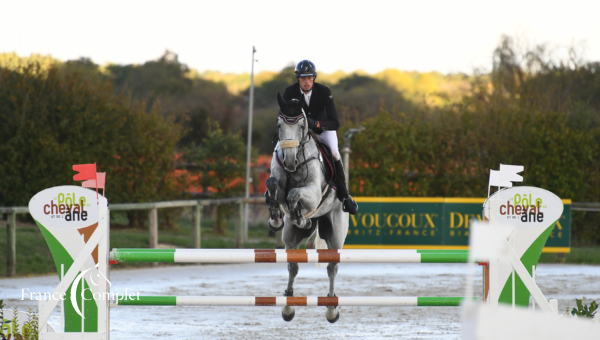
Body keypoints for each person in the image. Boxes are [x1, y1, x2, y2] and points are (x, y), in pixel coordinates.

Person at [275, 60, 358, 215]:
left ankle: (345, 196)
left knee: (334, 152)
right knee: (284, 149)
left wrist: (317, 124)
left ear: (314, 78)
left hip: (322, 129)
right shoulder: (289, 92)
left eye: (309, 78)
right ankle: (277, 188)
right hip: (299, 132)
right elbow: (283, 117)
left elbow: (335, 123)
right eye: (303, 78)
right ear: (298, 79)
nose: (306, 81)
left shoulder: (324, 92)